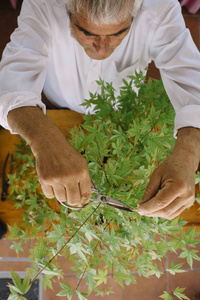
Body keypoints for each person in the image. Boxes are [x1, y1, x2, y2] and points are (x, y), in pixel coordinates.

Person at [0, 0, 200, 220]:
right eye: (86, 32)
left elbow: (192, 79)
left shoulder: (160, 6)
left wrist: (188, 156)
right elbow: (11, 86)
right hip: (58, 99)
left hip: (121, 109)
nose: (102, 48)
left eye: (118, 33)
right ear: (66, 9)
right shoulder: (43, 3)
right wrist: (43, 140)